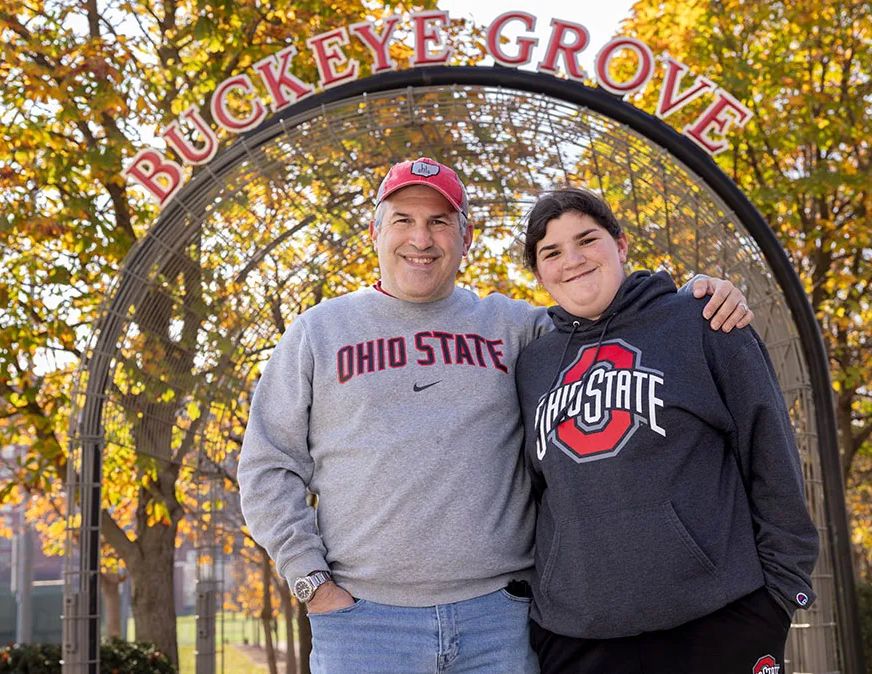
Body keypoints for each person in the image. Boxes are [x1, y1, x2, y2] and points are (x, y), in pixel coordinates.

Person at [237, 159, 754, 674]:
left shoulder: (516, 327)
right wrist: (313, 584)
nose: (422, 238)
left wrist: (693, 296)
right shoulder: (317, 333)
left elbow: (606, 314)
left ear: (466, 238)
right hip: (366, 625)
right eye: (403, 220)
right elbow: (267, 468)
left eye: (440, 222)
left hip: (499, 622)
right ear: (375, 230)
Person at [514, 187, 819, 674]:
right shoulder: (532, 364)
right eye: (551, 252)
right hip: (580, 637)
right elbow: (533, 493)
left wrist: (781, 591)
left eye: (586, 240)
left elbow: (770, 453)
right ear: (539, 272)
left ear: (621, 244)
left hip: (720, 620)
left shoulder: (704, 319)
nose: (571, 260)